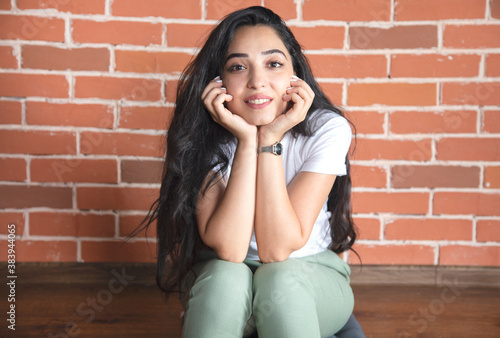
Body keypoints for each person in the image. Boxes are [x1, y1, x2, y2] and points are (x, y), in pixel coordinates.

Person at [138, 6, 360, 338]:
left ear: (294, 73)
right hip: (223, 274)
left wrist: (269, 139)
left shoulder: (327, 129)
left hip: (309, 273)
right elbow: (229, 249)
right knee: (226, 278)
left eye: (274, 64)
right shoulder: (204, 134)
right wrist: (246, 140)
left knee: (280, 281)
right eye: (239, 67)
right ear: (219, 81)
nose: (257, 82)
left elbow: (276, 249)